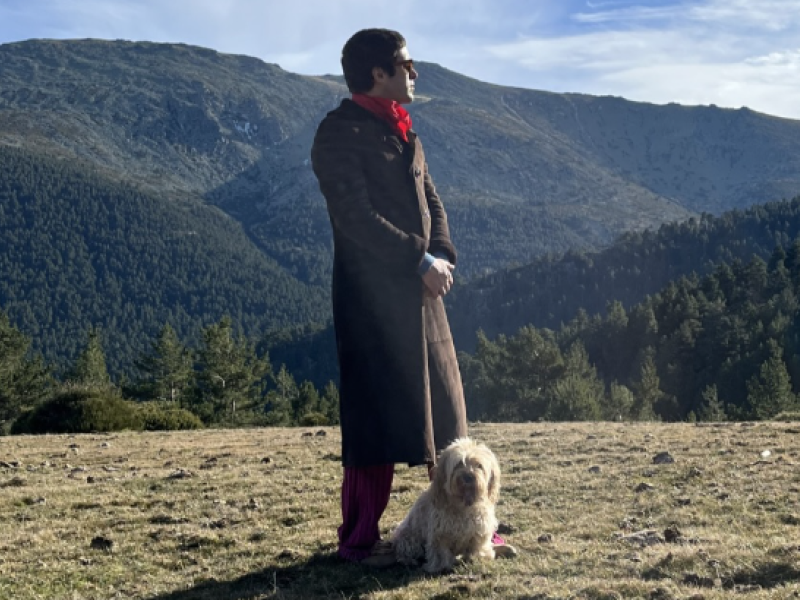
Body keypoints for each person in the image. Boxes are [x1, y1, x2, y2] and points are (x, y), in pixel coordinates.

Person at [311, 28, 509, 567]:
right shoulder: (338, 132)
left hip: (422, 296)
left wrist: (441, 253)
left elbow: (432, 199)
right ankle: (358, 541)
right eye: (407, 63)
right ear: (378, 72)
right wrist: (418, 260)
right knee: (375, 427)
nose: (415, 72)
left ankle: (472, 531)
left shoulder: (404, 132)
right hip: (372, 303)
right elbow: (353, 216)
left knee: (446, 416)